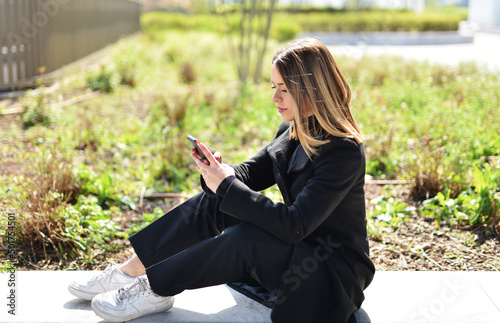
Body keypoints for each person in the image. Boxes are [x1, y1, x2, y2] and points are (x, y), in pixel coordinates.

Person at [68, 38, 375, 323]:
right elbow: (250, 174)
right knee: (219, 199)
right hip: (295, 256)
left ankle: (156, 288)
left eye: (284, 89)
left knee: (244, 236)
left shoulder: (343, 151)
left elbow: (295, 225)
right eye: (274, 87)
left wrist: (226, 184)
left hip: (330, 276)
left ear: (311, 90)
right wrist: (217, 171)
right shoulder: (291, 130)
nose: (274, 98)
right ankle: (130, 271)